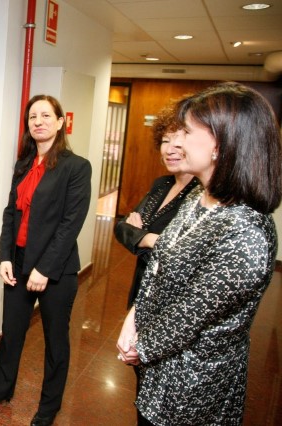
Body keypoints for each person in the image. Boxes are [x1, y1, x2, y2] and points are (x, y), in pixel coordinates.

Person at [116, 81, 282, 425]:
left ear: (222, 144)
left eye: (186, 133)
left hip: (191, 385)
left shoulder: (244, 232)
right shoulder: (197, 197)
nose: (175, 143)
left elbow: (189, 314)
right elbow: (159, 261)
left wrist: (140, 347)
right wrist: (133, 317)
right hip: (157, 366)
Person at [0, 94, 92, 426]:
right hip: (19, 261)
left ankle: (48, 408)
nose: (37, 121)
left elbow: (72, 223)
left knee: (56, 341)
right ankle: (0, 390)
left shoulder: (76, 166)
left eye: (45, 115)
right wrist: (4, 257)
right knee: (11, 332)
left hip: (56, 269)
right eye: (32, 117)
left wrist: (45, 268)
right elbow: (11, 213)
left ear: (60, 122)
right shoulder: (24, 164)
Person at [114, 101, 199, 309]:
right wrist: (152, 239)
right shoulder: (162, 184)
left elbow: (184, 254)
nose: (170, 150)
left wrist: (142, 236)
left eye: (179, 144)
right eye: (165, 141)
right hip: (142, 285)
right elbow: (122, 227)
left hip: (173, 301)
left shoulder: (203, 195)